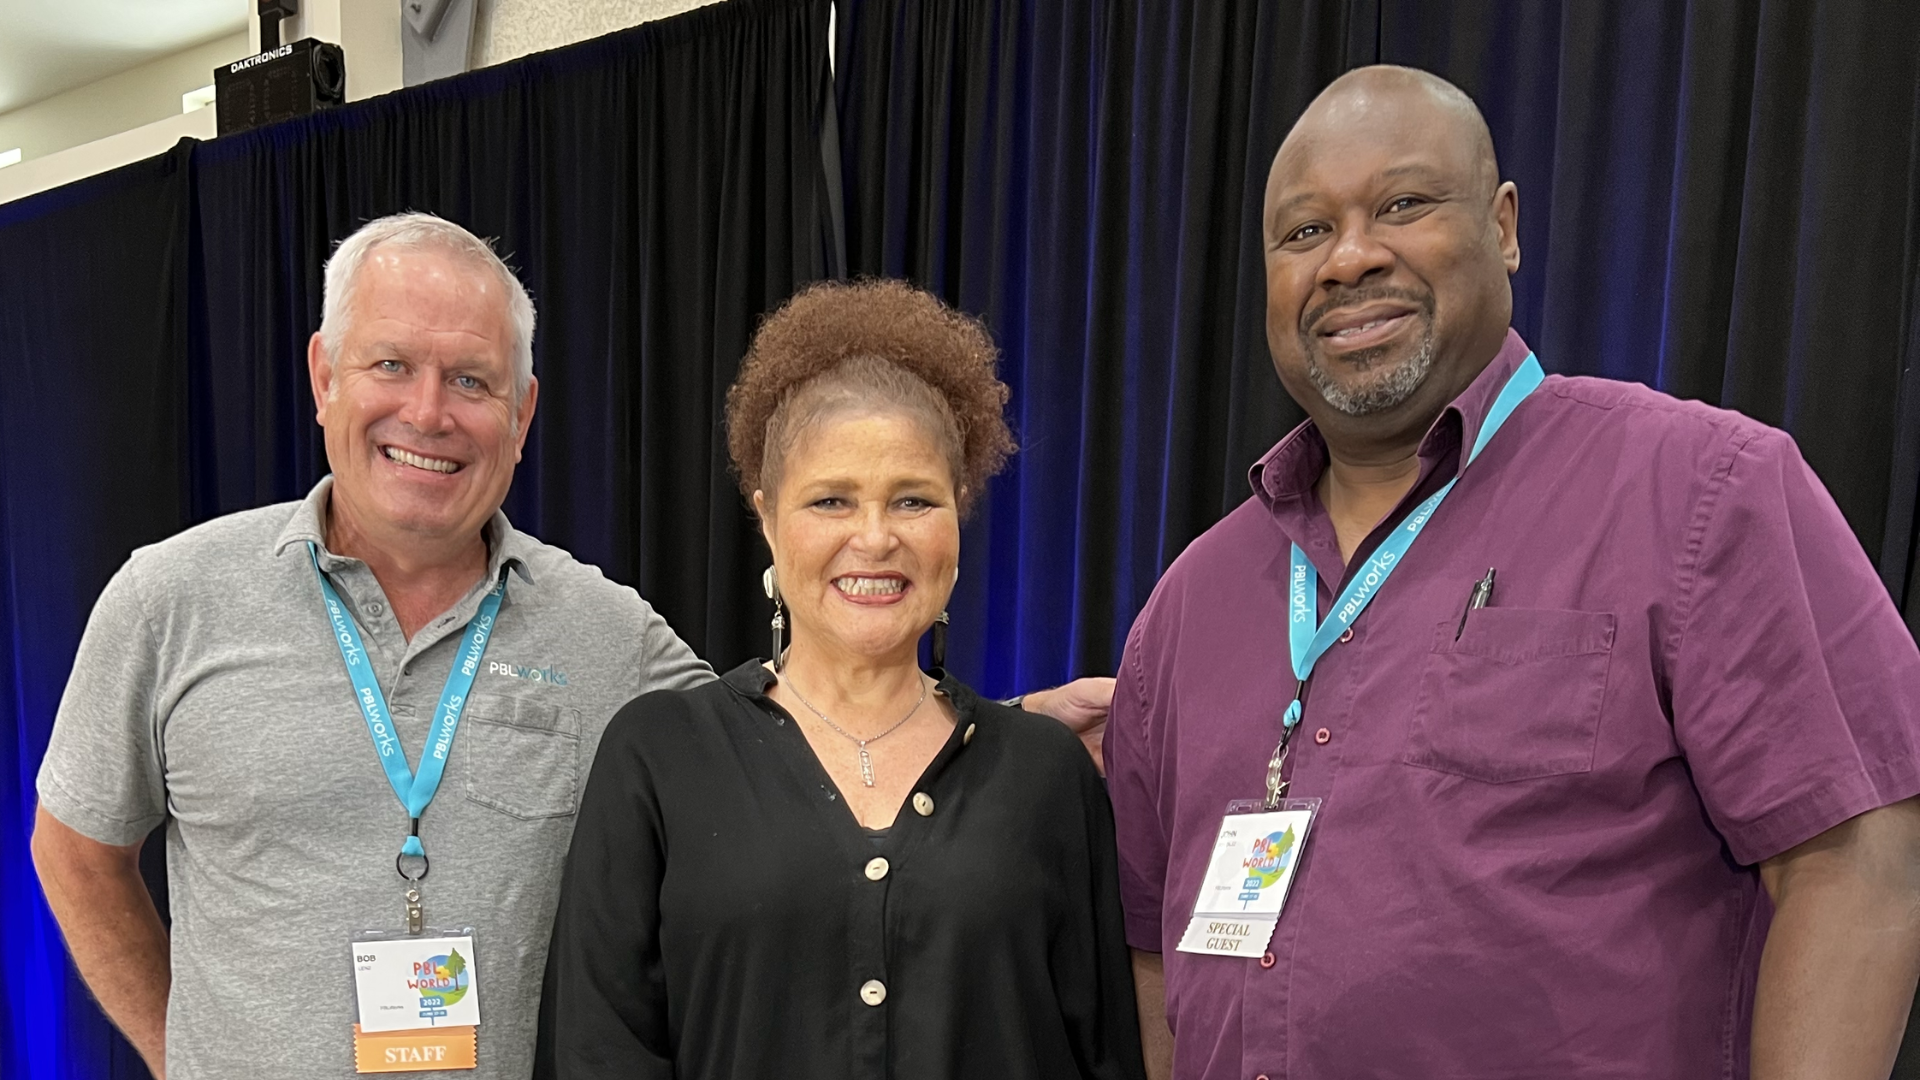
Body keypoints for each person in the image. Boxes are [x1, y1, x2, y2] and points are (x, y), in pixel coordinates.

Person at [29, 213, 1112, 1080]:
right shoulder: (170, 599)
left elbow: (804, 736)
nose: (428, 412)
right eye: (391, 365)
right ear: (322, 376)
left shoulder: (606, 632)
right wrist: (190, 1056)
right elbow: (73, 851)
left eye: (471, 381)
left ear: (524, 409)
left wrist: (1001, 750)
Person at [1106, 65, 1920, 1080]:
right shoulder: (1191, 600)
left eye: (1403, 205)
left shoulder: (1702, 491)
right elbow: (1154, 951)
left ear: (1503, 227)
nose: (1350, 259)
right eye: (1304, 232)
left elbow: (1857, 860)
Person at [539, 279, 1146, 1080]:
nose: (874, 537)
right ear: (766, 514)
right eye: (830, 500)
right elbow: (595, 1054)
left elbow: (1101, 1054)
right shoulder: (658, 757)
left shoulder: (1047, 774)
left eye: (913, 501)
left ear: (958, 512)